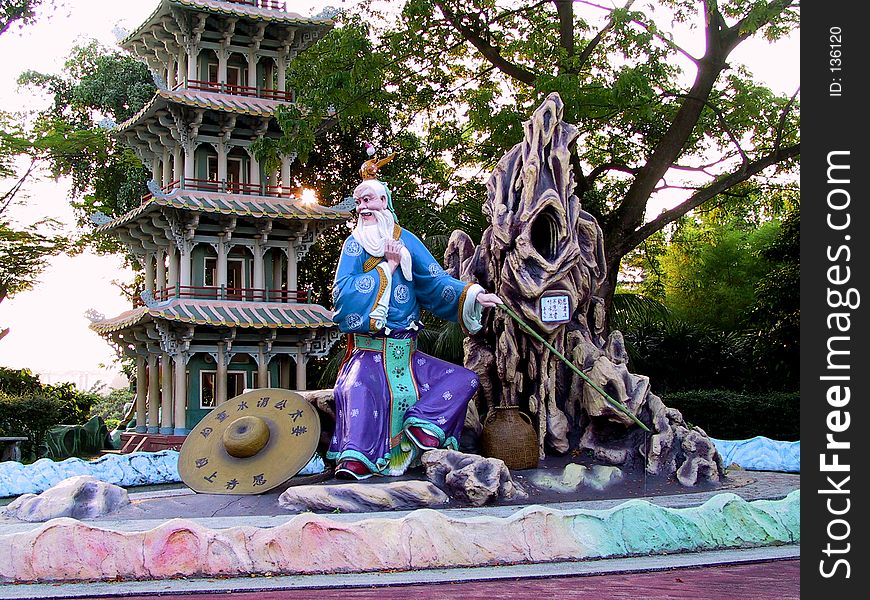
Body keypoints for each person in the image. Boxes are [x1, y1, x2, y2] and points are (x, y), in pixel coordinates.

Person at [328, 159, 502, 480]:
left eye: (370, 200)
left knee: (464, 379)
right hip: (368, 353)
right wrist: (388, 268)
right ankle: (358, 458)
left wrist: (475, 294)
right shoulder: (354, 245)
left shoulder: (407, 240)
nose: (364, 207)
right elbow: (343, 296)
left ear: (385, 202)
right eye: (360, 201)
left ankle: (422, 427)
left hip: (407, 355)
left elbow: (435, 284)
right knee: (358, 390)